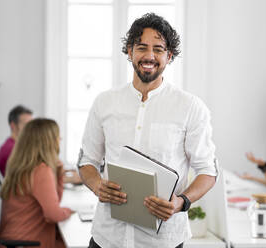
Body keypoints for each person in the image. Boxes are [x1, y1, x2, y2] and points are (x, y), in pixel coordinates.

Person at [77, 13, 218, 248]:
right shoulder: (104, 102)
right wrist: (96, 185)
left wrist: (181, 202)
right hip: (107, 238)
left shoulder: (190, 107)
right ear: (129, 52)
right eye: (142, 47)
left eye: (158, 49)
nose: (149, 56)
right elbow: (86, 161)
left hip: (163, 241)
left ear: (169, 56)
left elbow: (208, 171)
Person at [0, 118, 73, 248]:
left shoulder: (21, 166)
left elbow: (54, 203)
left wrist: (58, 173)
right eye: (57, 136)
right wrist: (68, 211)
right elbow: (53, 215)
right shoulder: (41, 170)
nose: (60, 139)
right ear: (48, 141)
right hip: (29, 242)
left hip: (12, 241)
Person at [0, 105, 33, 176]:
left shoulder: (10, 145)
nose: (31, 129)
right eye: (27, 125)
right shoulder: (13, 149)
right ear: (13, 126)